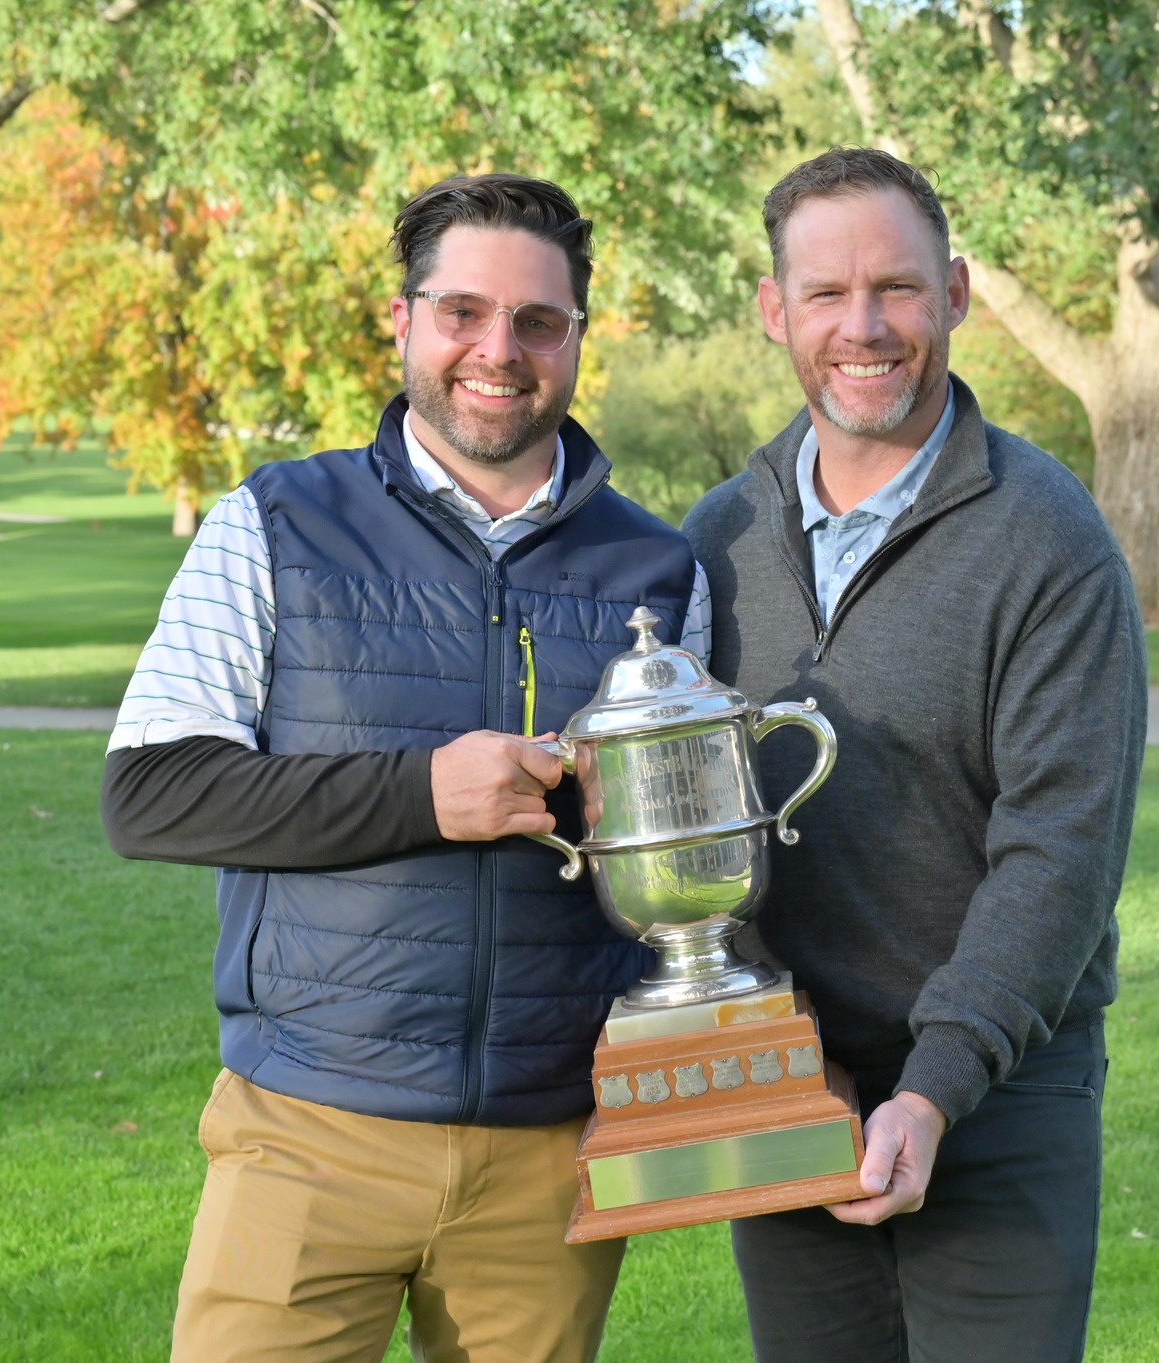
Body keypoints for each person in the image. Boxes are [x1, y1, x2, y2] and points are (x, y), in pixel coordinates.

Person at [100, 173, 710, 1363]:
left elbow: (677, 864)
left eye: (539, 321)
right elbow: (150, 791)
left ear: (580, 338)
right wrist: (423, 793)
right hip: (309, 1133)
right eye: (462, 312)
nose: (499, 350)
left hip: (549, 1154)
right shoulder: (274, 522)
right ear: (402, 321)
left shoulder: (659, 571)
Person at [682, 147, 1148, 1362]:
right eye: (826, 295)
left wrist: (935, 1087)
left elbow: (1059, 850)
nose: (864, 327)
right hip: (791, 1083)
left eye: (895, 287)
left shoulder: (1050, 540)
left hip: (1001, 1085)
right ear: (776, 312)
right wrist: (787, 1062)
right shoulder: (713, 539)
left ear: (955, 293)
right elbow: (689, 836)